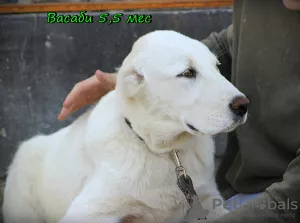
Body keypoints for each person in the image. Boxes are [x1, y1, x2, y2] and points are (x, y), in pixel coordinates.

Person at [58, 0, 300, 222]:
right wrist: (122, 81)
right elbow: (231, 42)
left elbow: (290, 199)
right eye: (187, 73)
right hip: (246, 191)